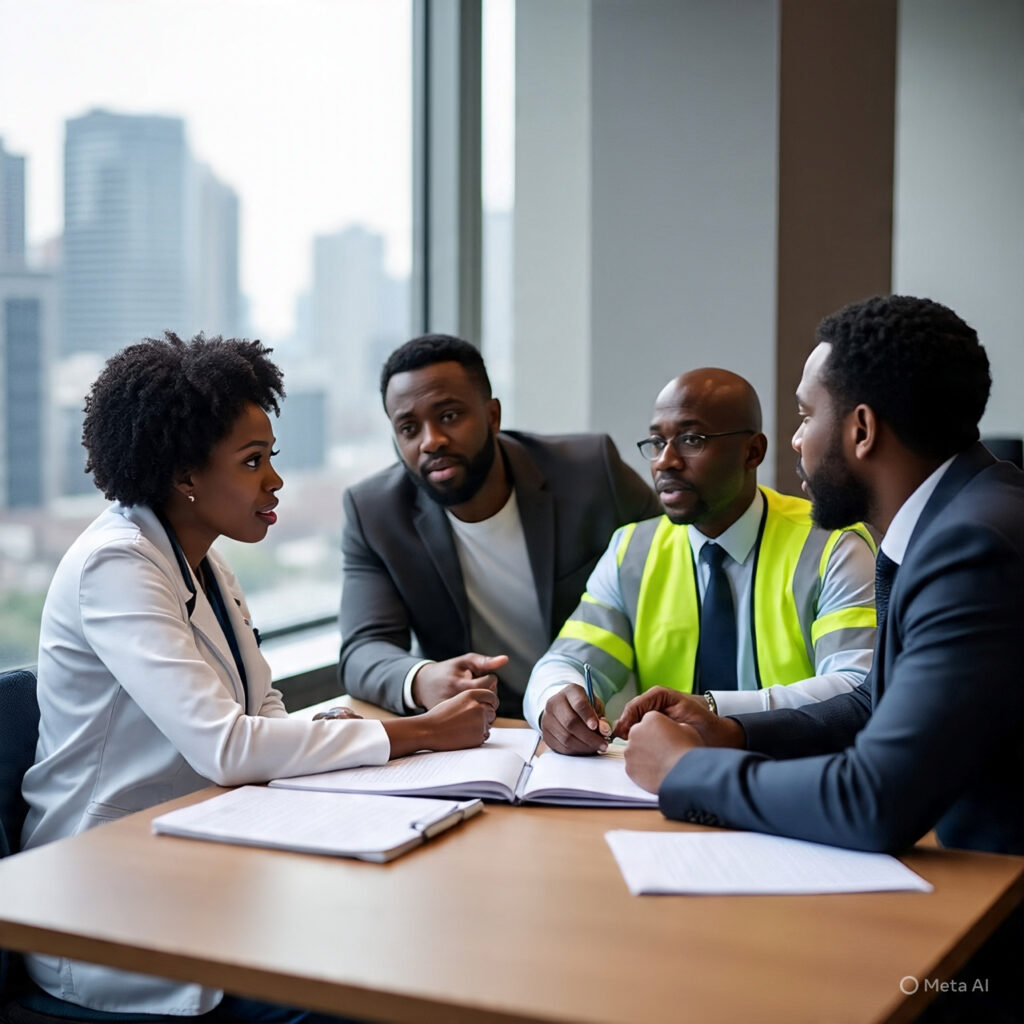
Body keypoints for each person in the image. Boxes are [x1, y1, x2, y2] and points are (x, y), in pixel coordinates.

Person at [21, 332, 497, 1019]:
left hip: (206, 851)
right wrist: (416, 734)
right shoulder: (116, 565)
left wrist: (343, 732)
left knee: (408, 929)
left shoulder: (206, 561)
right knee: (362, 986)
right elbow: (227, 746)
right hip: (105, 893)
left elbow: (263, 715)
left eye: (269, 457)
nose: (274, 479)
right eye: (252, 462)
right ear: (185, 475)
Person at [618, 296, 1023, 1021]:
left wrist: (686, 770)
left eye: (806, 416)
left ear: (862, 430)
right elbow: (878, 701)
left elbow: (875, 801)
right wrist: (729, 729)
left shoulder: (973, 547)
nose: (795, 444)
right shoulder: (960, 514)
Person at [523, 368, 877, 753]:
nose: (665, 461)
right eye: (657, 442)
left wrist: (713, 710)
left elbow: (856, 685)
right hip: (664, 784)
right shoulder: (632, 551)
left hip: (798, 774)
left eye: (691, 440)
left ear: (753, 451)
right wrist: (555, 700)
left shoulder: (831, 544)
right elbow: (564, 660)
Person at [338, 333, 661, 718]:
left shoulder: (591, 473)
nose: (431, 441)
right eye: (409, 428)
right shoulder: (376, 513)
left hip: (617, 716)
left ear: (493, 416)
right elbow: (363, 649)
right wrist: (422, 678)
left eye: (449, 416)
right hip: (499, 731)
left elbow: (681, 569)